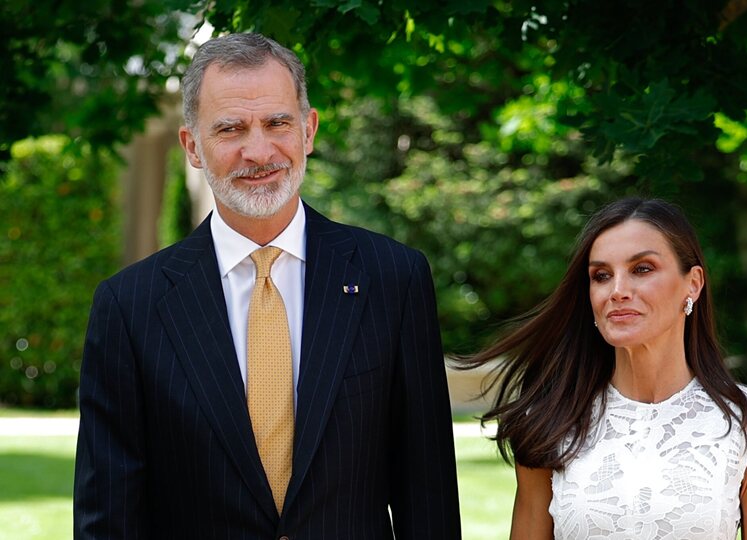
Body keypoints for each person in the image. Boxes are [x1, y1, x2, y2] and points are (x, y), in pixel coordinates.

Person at [73, 33, 461, 539]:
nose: (258, 151)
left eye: (277, 123)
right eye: (231, 128)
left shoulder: (394, 279)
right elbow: (109, 518)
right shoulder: (129, 306)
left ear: (309, 130)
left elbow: (427, 497)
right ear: (192, 146)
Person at [458, 197, 747, 539]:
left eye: (642, 269)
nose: (617, 291)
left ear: (693, 284)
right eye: (601, 275)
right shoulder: (551, 420)